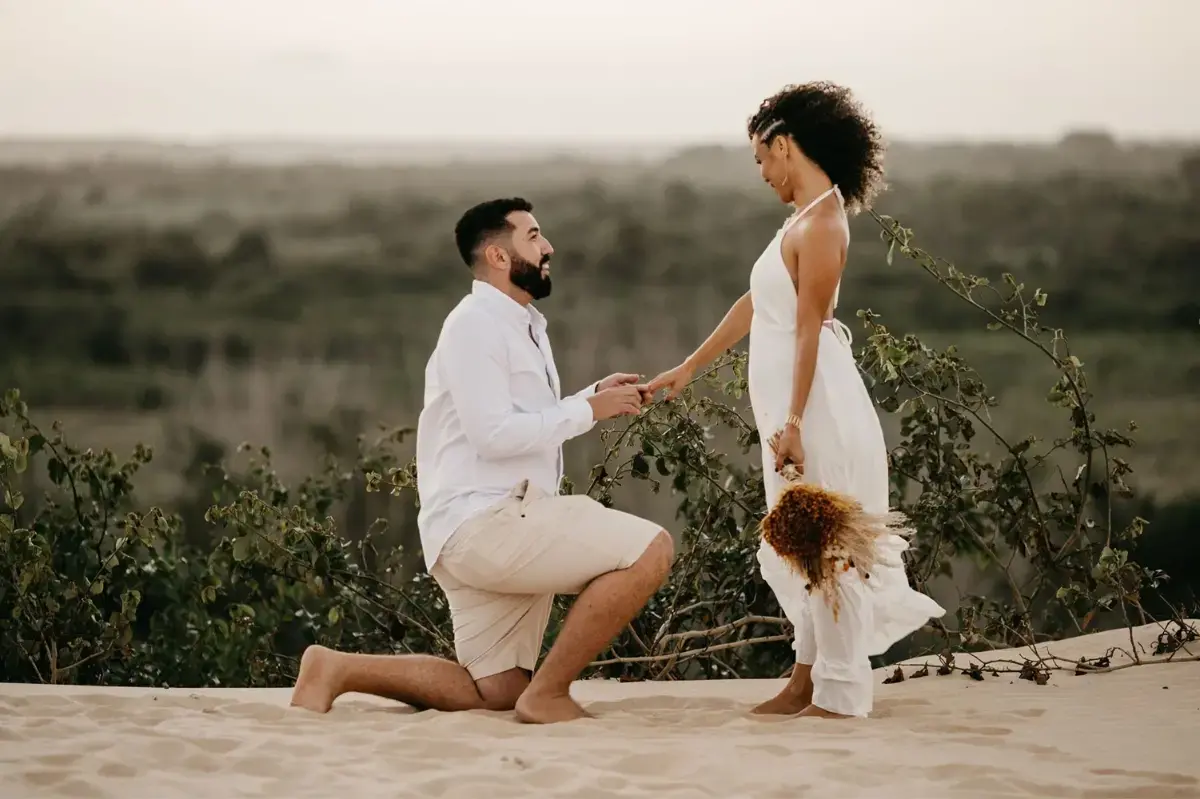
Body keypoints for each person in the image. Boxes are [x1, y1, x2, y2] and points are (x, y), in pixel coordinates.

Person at [290, 197, 674, 724]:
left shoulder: (520, 324)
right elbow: (492, 435)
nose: (548, 247)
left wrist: (593, 393)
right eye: (534, 236)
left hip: (485, 527)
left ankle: (336, 669)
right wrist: (587, 410)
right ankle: (551, 693)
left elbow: (522, 417)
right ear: (497, 255)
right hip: (489, 522)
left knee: (493, 692)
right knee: (650, 551)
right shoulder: (473, 326)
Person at [646, 82, 944, 719]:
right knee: (801, 543)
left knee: (824, 546)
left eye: (761, 158)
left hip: (816, 411)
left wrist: (794, 422)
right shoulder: (802, 221)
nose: (761, 173)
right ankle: (804, 680)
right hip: (793, 410)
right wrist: (690, 367)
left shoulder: (825, 223)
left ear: (785, 145)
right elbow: (760, 306)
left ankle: (839, 694)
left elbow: (809, 328)